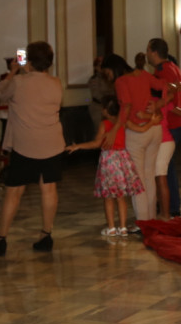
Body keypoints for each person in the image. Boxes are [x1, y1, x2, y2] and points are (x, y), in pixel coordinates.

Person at [0, 41, 64, 256]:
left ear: (28, 61)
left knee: (14, 192)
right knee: (48, 188)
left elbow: (0, 93)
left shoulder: (18, 82)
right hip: (51, 142)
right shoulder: (56, 83)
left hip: (25, 144)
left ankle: (1, 239)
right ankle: (46, 234)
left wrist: (14, 71)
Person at [66, 99, 145, 237]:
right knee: (121, 197)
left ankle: (112, 228)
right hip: (122, 159)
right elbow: (141, 129)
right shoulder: (123, 122)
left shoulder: (104, 124)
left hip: (109, 161)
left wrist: (77, 146)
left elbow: (97, 143)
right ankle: (123, 228)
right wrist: (152, 121)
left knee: (108, 197)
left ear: (105, 111)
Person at [108, 58, 164, 224]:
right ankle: (151, 218)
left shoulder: (121, 81)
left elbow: (126, 105)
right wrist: (158, 106)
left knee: (138, 179)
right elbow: (164, 86)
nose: (107, 76)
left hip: (137, 132)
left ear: (112, 69)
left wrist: (115, 129)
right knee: (149, 175)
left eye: (107, 72)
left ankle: (143, 222)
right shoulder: (144, 74)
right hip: (155, 128)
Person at [148, 39, 181, 217]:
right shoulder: (173, 66)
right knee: (166, 168)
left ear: (154, 52)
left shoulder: (162, 70)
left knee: (164, 170)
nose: (147, 54)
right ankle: (170, 206)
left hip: (170, 124)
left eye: (148, 50)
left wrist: (158, 106)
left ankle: (171, 207)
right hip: (177, 122)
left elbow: (168, 95)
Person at [87, 57, 116, 133]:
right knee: (100, 131)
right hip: (98, 108)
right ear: (96, 67)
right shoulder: (94, 79)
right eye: (100, 65)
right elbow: (97, 94)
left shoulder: (110, 78)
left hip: (110, 109)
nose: (102, 68)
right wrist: (110, 99)